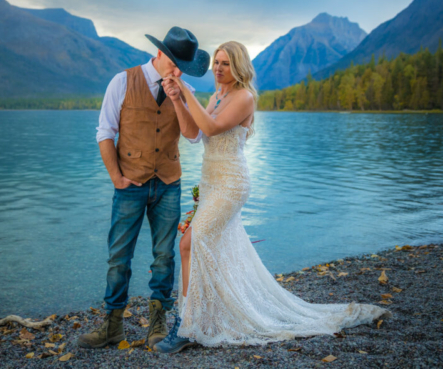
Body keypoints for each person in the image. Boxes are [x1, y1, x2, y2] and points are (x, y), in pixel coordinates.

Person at [153, 41, 390, 353]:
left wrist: (184, 91)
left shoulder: (244, 98)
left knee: (189, 244)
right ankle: (197, 319)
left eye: (226, 63)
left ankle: (187, 325)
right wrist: (176, 100)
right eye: (217, 63)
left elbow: (210, 124)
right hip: (210, 183)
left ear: (238, 67)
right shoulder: (216, 96)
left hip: (230, 185)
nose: (219, 69)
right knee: (201, 248)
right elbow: (194, 134)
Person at [77, 27, 210, 349]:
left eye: (184, 67)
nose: (178, 71)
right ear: (160, 53)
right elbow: (104, 132)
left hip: (168, 183)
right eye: (175, 63)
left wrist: (178, 97)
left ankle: (158, 325)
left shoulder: (185, 88)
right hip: (129, 185)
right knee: (118, 258)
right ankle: (112, 326)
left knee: (164, 257)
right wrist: (117, 178)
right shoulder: (122, 81)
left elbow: (194, 136)